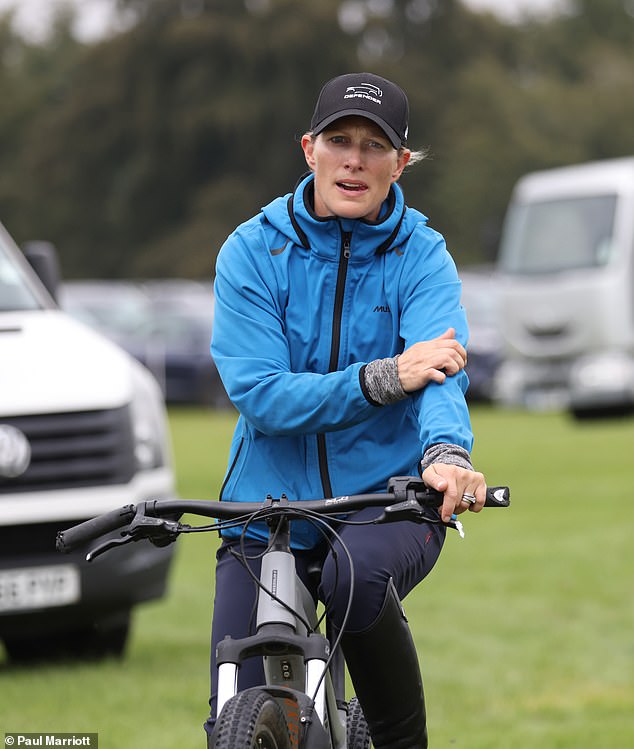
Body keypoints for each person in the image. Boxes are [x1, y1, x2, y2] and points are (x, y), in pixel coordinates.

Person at [205, 71, 487, 749]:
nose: (354, 160)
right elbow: (262, 394)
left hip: (386, 503)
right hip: (263, 508)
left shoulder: (423, 255)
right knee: (234, 719)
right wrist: (385, 375)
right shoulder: (251, 250)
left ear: (401, 162)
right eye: (339, 141)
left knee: (352, 574)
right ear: (310, 149)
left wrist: (446, 455)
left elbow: (440, 371)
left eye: (374, 145)